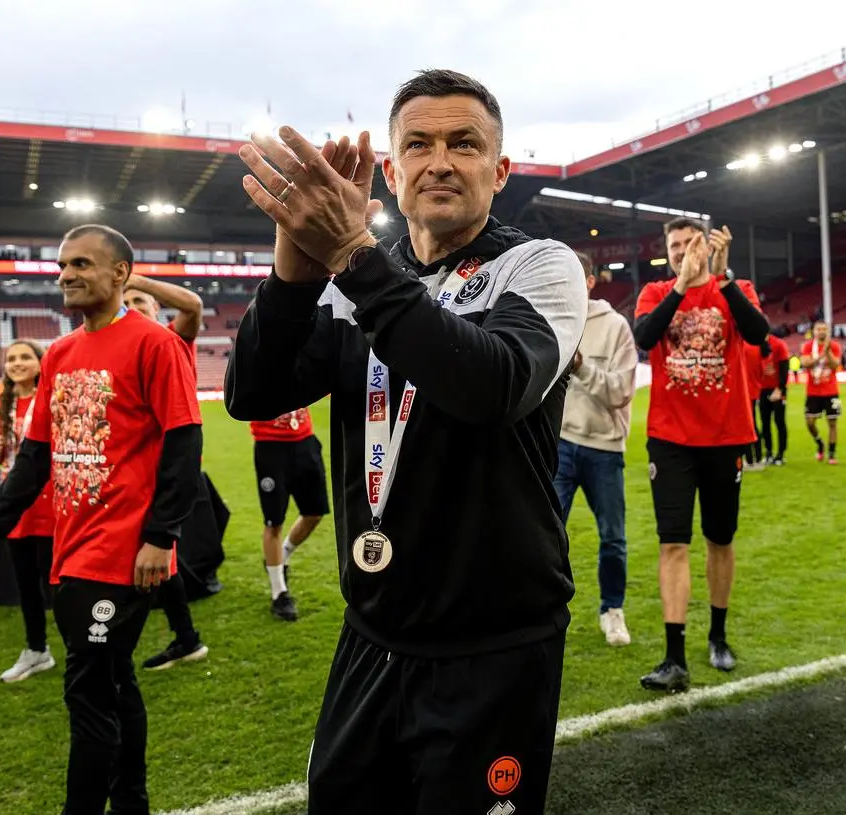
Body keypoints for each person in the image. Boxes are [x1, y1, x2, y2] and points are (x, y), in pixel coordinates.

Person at [226, 69, 586, 813]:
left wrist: (355, 255)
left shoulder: (539, 266)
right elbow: (253, 393)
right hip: (373, 630)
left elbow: (491, 387)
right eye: (417, 144)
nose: (441, 160)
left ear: (501, 169)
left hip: (492, 644)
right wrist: (295, 264)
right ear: (390, 173)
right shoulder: (358, 283)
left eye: (465, 143)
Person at [0, 224, 203, 815]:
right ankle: (132, 803)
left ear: (121, 274)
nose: (67, 274)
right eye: (63, 264)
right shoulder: (61, 354)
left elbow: (183, 445)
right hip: (71, 549)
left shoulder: (154, 343)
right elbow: (36, 454)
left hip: (122, 553)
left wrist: (159, 537)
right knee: (113, 682)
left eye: (83, 263)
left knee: (88, 690)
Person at [633, 218, 768, 693]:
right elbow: (645, 338)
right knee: (673, 543)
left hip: (725, 437)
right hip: (670, 440)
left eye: (691, 244)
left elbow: (757, 334)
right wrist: (682, 287)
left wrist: (723, 279)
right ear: (666, 252)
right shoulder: (655, 293)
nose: (682, 251)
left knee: (720, 540)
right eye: (674, 246)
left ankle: (718, 635)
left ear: (709, 248)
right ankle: (674, 657)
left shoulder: (737, 288)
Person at [122, 279, 209, 670]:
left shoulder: (172, 340)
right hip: (133, 468)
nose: (133, 306)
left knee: (156, 550)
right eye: (124, 302)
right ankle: (185, 638)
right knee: (162, 556)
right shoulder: (122, 351)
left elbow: (192, 305)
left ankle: (180, 637)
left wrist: (130, 278)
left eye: (140, 301)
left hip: (168, 467)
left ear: (157, 308)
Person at [552, 250, 636, 647]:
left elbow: (621, 392)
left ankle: (612, 610)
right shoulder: (555, 316)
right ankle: (544, 610)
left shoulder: (615, 325)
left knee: (613, 538)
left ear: (589, 281)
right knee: (547, 534)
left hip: (604, 448)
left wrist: (583, 366)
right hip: (562, 444)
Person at [0, 339, 57, 682]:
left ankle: (84, 649)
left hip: (52, 500)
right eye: (11, 358)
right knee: (26, 584)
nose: (17, 363)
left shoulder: (53, 395)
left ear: (40, 363)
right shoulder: (1, 400)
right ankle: (37, 650)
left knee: (58, 584)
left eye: (25, 356)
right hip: (15, 504)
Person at [250, 407, 329, 621]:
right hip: (270, 446)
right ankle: (279, 594)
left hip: (305, 441)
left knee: (314, 513)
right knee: (273, 522)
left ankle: (281, 556)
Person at [800, 321, 842, 464]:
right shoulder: (807, 346)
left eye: (824, 329)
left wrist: (828, 352)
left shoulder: (834, 346)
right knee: (810, 422)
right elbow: (805, 363)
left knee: (832, 423)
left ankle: (831, 453)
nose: (822, 331)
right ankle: (819, 443)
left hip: (831, 391)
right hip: (813, 391)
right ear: (814, 331)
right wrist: (820, 355)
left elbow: (836, 365)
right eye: (819, 329)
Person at [757, 332, 791, 465]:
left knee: (779, 421)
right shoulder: (754, 344)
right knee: (764, 422)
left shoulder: (778, 344)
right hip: (761, 389)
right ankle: (769, 452)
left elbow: (784, 366)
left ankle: (781, 454)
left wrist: (780, 388)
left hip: (777, 388)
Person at [742, 341, 766, 472]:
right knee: (752, 424)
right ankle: (756, 457)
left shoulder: (741, 345)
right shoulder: (756, 346)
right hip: (753, 389)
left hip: (742, 390)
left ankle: (751, 459)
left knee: (746, 426)